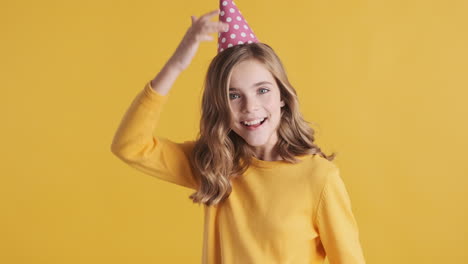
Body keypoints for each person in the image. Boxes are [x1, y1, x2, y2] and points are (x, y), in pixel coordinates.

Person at [111, 1, 366, 263]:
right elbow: (130, 146)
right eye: (233, 95)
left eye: (262, 90)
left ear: (283, 96)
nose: (250, 107)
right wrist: (176, 65)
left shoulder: (319, 179)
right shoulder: (214, 165)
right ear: (220, 105)